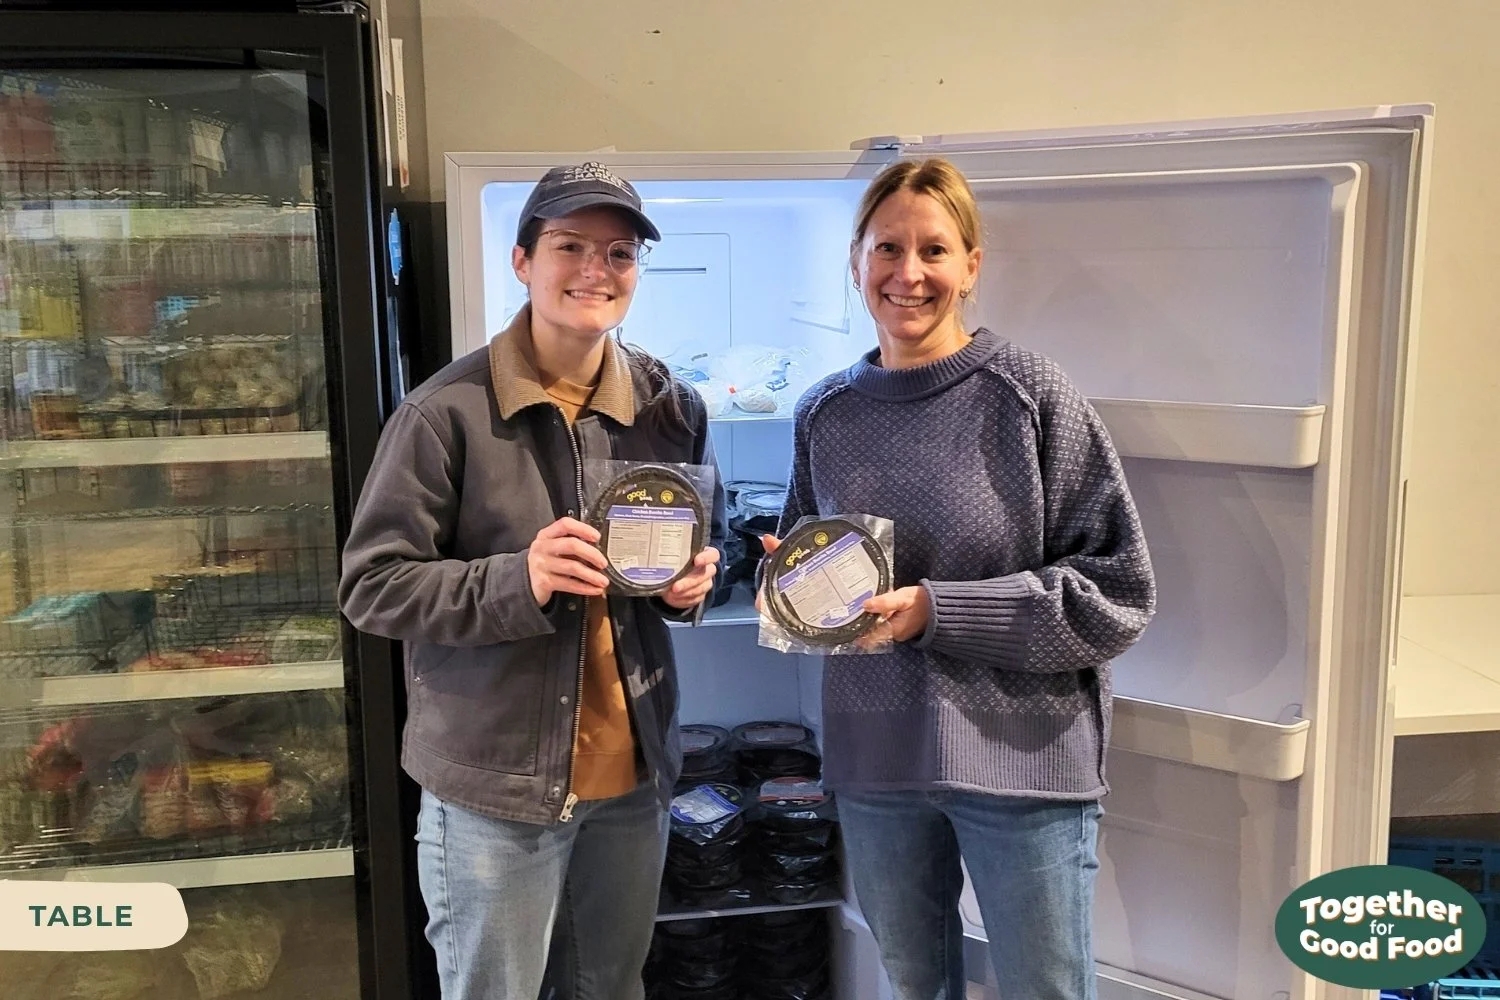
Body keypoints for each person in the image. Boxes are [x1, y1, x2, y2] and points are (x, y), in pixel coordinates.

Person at [762, 158, 1156, 1000]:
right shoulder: (824, 410)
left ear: (971, 264)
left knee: (1047, 991)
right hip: (876, 761)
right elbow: (815, 566)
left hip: (1026, 758)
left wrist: (937, 612)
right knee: (916, 987)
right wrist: (787, 584)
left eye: (934, 251)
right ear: (857, 260)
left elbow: (1117, 591)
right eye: (887, 249)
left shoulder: (1029, 394)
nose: (909, 274)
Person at [339, 162, 725, 1000]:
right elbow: (374, 587)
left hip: (631, 775)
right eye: (571, 246)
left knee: (610, 988)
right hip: (495, 790)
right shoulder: (445, 413)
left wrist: (688, 588)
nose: (597, 269)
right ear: (523, 261)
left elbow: (702, 546)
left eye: (620, 252)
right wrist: (521, 578)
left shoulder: (673, 408)